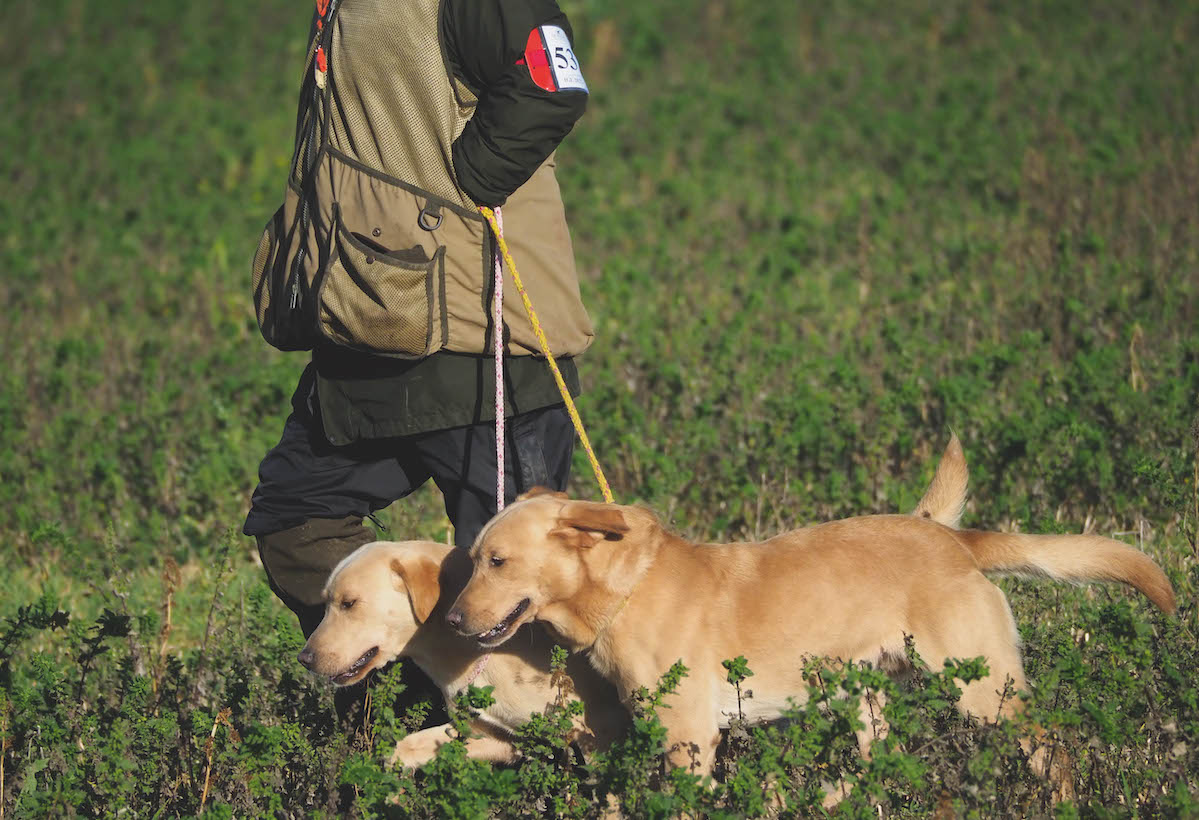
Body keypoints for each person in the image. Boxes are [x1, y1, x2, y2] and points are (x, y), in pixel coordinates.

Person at [243, 0, 594, 648]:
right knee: (296, 516)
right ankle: (415, 708)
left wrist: (463, 187)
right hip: (365, 327)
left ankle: (545, 737)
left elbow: (550, 83)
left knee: (515, 604)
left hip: (482, 339)